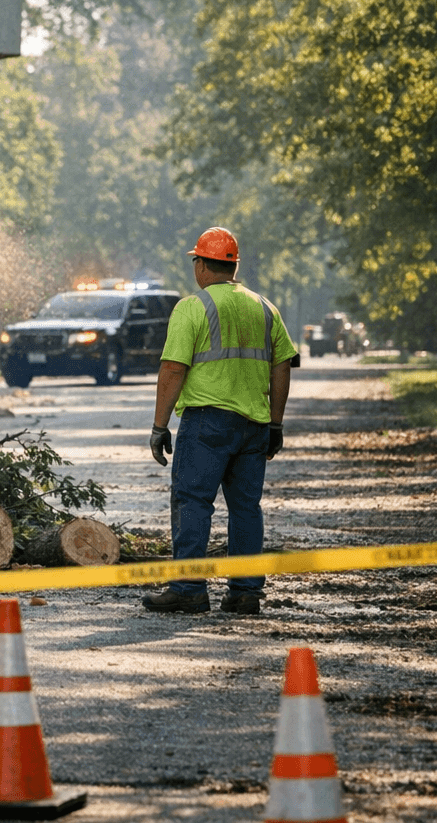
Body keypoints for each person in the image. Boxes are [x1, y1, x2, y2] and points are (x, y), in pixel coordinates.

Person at [142, 227, 297, 615]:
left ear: (200, 265)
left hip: (208, 423)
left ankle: (189, 587)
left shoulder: (193, 308)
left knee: (193, 501)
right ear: (233, 266)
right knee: (246, 507)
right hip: (254, 425)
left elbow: (173, 370)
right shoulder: (265, 308)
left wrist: (160, 426)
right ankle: (245, 592)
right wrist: (275, 423)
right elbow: (282, 366)